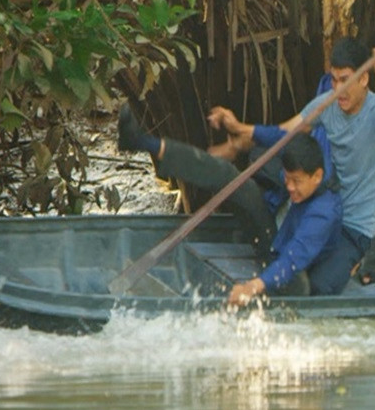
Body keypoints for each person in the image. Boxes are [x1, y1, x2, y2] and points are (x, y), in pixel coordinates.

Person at [207, 33, 375, 295]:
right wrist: (237, 129)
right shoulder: (328, 104)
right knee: (286, 265)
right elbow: (284, 133)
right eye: (334, 80)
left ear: (363, 78)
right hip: (326, 208)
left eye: (345, 80)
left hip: (356, 226)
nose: (338, 89)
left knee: (319, 287)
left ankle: (351, 262)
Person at [117, 110, 341, 306]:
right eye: (287, 178)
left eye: (297, 182)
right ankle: (144, 143)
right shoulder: (303, 155)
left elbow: (293, 259)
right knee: (232, 178)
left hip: (292, 271)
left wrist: (253, 286)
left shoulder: (323, 212)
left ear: (317, 177)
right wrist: (238, 130)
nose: (289, 186)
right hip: (271, 237)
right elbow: (275, 137)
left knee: (296, 283)